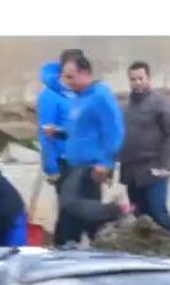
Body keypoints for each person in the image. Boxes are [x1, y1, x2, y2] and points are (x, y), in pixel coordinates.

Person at [53, 51, 125, 246]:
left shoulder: (101, 95)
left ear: (85, 73)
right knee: (74, 217)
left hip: (89, 168)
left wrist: (105, 162)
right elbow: (79, 130)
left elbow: (115, 131)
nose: (66, 82)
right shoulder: (79, 97)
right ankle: (74, 248)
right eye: (64, 77)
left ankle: (116, 212)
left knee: (71, 209)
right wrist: (58, 132)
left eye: (70, 77)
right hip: (72, 165)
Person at [118, 61, 170, 235]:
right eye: (133, 79)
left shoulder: (159, 103)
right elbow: (119, 136)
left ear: (149, 79)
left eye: (140, 78)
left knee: (158, 212)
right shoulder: (125, 107)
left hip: (154, 169)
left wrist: (166, 166)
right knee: (140, 215)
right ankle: (149, 252)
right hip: (131, 171)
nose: (137, 82)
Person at [37, 49, 80, 243]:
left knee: (81, 208)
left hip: (82, 160)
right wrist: (51, 167)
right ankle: (63, 246)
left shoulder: (78, 92)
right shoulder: (50, 95)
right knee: (67, 208)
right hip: (63, 162)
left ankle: (76, 245)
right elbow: (45, 134)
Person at [58, 165, 133, 243]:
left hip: (79, 222)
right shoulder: (76, 177)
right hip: (69, 226)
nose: (106, 180)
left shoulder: (94, 183)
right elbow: (75, 206)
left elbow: (91, 213)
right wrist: (114, 210)